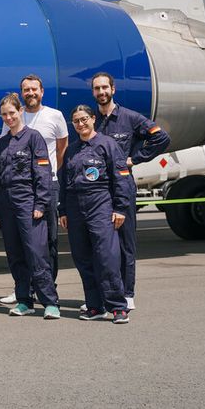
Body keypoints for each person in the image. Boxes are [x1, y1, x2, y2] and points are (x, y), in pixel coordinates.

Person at [92, 72, 170, 310]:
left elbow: (161, 138)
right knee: (102, 246)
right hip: (97, 191)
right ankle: (104, 294)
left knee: (126, 244)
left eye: (105, 87)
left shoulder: (130, 118)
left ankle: (127, 293)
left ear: (113, 89)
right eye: (97, 89)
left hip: (122, 189)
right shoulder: (92, 120)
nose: (101, 92)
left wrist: (134, 159)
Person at [0, 75, 68, 306]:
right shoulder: (9, 125)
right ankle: (25, 291)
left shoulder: (54, 116)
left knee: (46, 243)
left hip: (46, 185)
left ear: (41, 91)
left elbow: (61, 149)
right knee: (20, 246)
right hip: (17, 194)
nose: (30, 93)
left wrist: (45, 189)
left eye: (34, 89)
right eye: (26, 90)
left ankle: (48, 290)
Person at [59, 105, 132, 324]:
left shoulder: (108, 144)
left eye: (84, 119)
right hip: (74, 207)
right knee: (83, 258)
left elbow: (121, 179)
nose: (80, 124)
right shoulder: (71, 150)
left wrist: (120, 208)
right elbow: (64, 182)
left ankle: (118, 307)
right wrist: (63, 210)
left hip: (100, 204)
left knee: (106, 257)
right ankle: (94, 305)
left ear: (92, 119)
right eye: (76, 121)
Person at [0, 93, 59, 319]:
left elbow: (43, 173)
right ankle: (24, 300)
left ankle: (50, 302)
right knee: (15, 254)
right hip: (6, 203)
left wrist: (41, 203)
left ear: (20, 112)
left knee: (36, 253)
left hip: (28, 201)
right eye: (4, 115)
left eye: (12, 113)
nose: (8, 118)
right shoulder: (1, 143)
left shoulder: (34, 137)